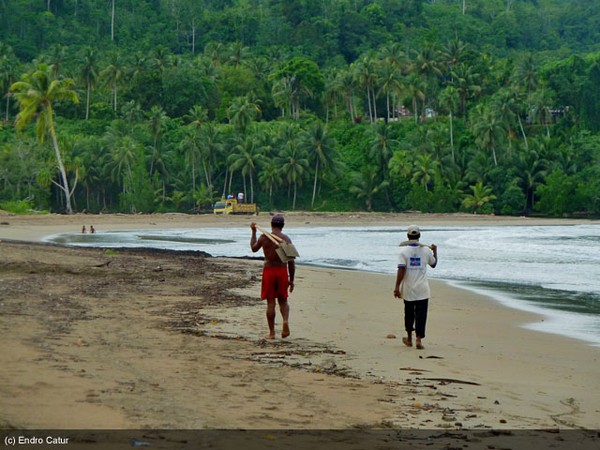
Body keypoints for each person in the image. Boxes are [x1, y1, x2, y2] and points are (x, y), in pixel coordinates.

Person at [250, 215, 295, 339]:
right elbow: (291, 261)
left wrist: (253, 232)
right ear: (283, 226)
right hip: (282, 271)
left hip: (269, 271)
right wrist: (291, 279)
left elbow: (253, 249)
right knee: (283, 301)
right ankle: (285, 321)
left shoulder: (264, 237)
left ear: (271, 224)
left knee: (271, 303)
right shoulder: (285, 239)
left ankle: (272, 333)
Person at [393, 225, 437, 350]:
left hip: (408, 288)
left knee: (409, 313)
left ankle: (409, 338)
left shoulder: (403, 252)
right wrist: (435, 251)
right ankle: (418, 339)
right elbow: (433, 264)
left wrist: (397, 287)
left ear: (408, 236)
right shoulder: (426, 251)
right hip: (423, 288)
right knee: (421, 314)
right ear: (419, 236)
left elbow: (401, 269)